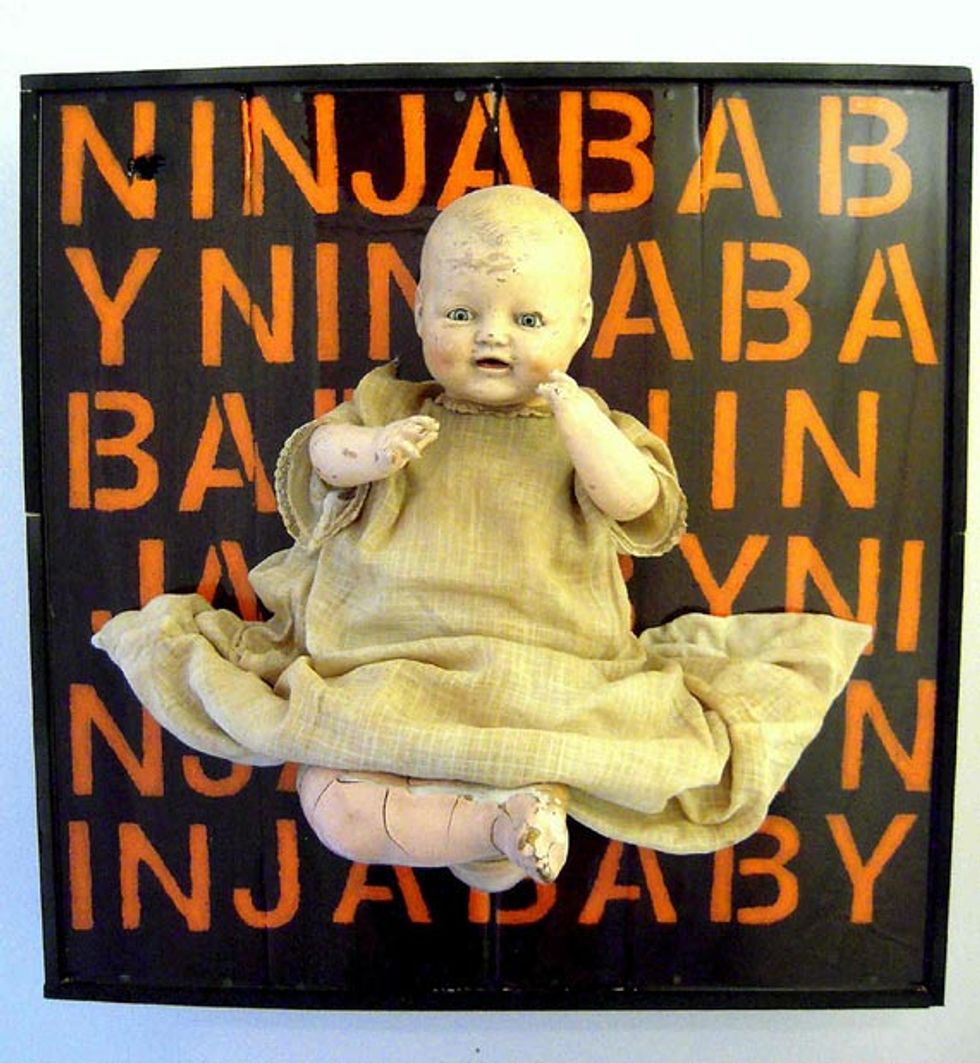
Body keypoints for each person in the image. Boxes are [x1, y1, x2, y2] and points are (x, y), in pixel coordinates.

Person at [94, 185, 871, 892]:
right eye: (462, 314)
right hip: (383, 662)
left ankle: (507, 821)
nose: (491, 337)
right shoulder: (392, 408)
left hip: (540, 672)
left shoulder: (587, 430)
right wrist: (372, 451)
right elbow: (319, 456)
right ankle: (499, 826)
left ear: (580, 325)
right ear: (421, 310)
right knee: (335, 806)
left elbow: (641, 503)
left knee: (547, 756)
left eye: (528, 321)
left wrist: (583, 429)